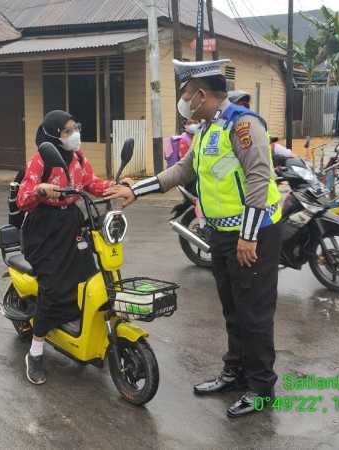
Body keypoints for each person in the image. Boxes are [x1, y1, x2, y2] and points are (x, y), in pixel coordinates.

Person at [106, 59, 284, 418]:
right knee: (232, 308)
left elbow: (258, 179)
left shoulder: (243, 125)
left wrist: (248, 236)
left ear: (201, 94)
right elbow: (182, 171)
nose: (184, 100)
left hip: (254, 234)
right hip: (221, 234)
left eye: (187, 94)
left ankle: (262, 387)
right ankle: (235, 373)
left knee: (254, 313)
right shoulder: (205, 131)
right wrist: (135, 191)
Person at [16, 110, 114, 385]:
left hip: (71, 223)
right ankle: (35, 352)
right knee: (54, 286)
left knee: (88, 277)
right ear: (53, 135)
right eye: (68, 130)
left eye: (75, 128)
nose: (74, 134)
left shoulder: (79, 158)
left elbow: (91, 184)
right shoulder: (39, 161)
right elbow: (23, 198)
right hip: (44, 230)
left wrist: (116, 186)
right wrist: (40, 190)